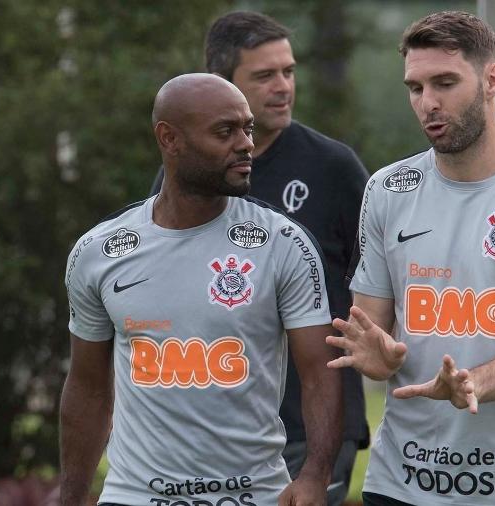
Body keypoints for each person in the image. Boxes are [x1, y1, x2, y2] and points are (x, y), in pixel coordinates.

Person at [325, 11, 495, 506]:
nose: (428, 102)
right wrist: (376, 357)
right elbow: (372, 335)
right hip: (403, 482)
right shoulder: (386, 190)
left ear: (493, 79)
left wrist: (473, 383)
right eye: (415, 87)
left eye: (445, 82)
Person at [59, 73, 342, 506]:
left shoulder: (283, 244)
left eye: (247, 128)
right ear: (169, 138)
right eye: (225, 132)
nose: (246, 143)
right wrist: (71, 497)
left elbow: (319, 373)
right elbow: (88, 388)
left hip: (255, 496)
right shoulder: (99, 252)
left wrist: (315, 475)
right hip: (135, 496)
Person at [149, 13, 370, 504]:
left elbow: (378, 282)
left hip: (309, 427)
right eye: (264, 75)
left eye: (288, 72)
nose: (282, 87)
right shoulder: (190, 175)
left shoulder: (333, 168)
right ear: (223, 84)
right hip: (217, 424)